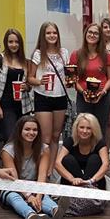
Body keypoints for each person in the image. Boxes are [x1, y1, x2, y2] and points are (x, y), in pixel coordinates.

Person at [0, 116, 70, 219]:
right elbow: (14, 179)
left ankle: (55, 210)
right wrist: (28, 196)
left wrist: (38, 195)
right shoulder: (8, 150)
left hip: (34, 184)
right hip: (12, 185)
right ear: (19, 131)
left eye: (35, 130)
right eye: (27, 129)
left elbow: (42, 175)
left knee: (44, 197)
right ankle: (30, 215)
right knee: (13, 197)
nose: (31, 133)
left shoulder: (44, 149)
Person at [27, 22, 70, 171]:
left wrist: (70, 80)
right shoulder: (38, 54)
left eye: (54, 33)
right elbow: (30, 78)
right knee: (45, 138)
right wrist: (40, 81)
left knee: (56, 135)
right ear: (43, 36)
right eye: (48, 33)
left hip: (60, 96)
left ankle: (51, 169)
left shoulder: (64, 52)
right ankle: (42, 169)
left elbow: (69, 73)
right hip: (43, 97)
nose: (52, 36)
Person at [0, 28, 33, 149]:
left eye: (16, 42)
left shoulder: (25, 62)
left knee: (24, 139)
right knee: (10, 139)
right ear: (5, 43)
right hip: (5, 106)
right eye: (10, 42)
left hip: (23, 106)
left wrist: (27, 87)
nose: (14, 45)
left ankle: (21, 161)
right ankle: (8, 161)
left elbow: (29, 83)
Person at [71, 23, 110, 140]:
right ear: (85, 34)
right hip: (83, 97)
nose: (92, 35)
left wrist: (103, 92)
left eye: (96, 33)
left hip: (102, 97)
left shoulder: (106, 55)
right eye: (90, 32)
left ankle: (100, 152)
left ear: (100, 37)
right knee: (82, 129)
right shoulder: (76, 55)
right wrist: (83, 92)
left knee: (99, 130)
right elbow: (73, 78)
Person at [54, 113, 110, 192]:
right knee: (67, 159)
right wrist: (72, 179)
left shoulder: (99, 142)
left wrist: (91, 181)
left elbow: (106, 165)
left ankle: (87, 188)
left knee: (95, 158)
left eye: (89, 128)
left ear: (94, 129)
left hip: (94, 182)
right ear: (76, 128)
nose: (84, 131)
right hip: (72, 182)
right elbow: (57, 163)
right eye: (82, 127)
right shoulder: (70, 141)